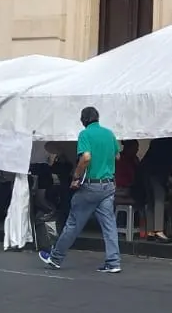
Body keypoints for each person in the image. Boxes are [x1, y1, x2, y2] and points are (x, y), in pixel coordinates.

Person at [40, 106, 121, 273]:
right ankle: (113, 262)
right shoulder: (109, 133)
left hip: (91, 185)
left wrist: (76, 177)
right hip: (108, 185)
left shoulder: (85, 134)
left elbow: (86, 157)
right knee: (109, 225)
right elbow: (117, 156)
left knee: (73, 223)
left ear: (83, 120)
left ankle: (56, 258)